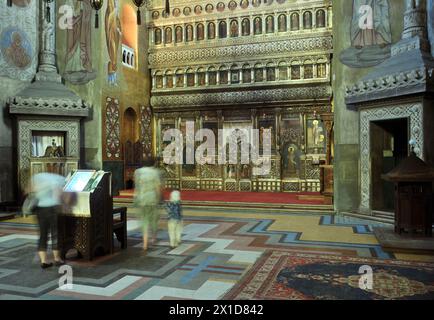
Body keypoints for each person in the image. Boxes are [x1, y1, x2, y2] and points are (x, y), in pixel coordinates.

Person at [29, 173, 66, 269]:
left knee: (42, 235)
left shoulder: (37, 177)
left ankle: (43, 261)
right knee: (56, 234)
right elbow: (58, 194)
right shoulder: (59, 178)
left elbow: (31, 190)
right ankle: (57, 259)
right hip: (52, 208)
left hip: (40, 209)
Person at [134, 158, 162, 251]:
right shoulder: (155, 172)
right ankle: (153, 238)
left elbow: (137, 187)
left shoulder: (137, 172)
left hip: (141, 198)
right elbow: (157, 187)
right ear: (153, 163)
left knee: (144, 221)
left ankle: (145, 244)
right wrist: (159, 197)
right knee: (153, 219)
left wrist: (136, 198)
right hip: (152, 198)